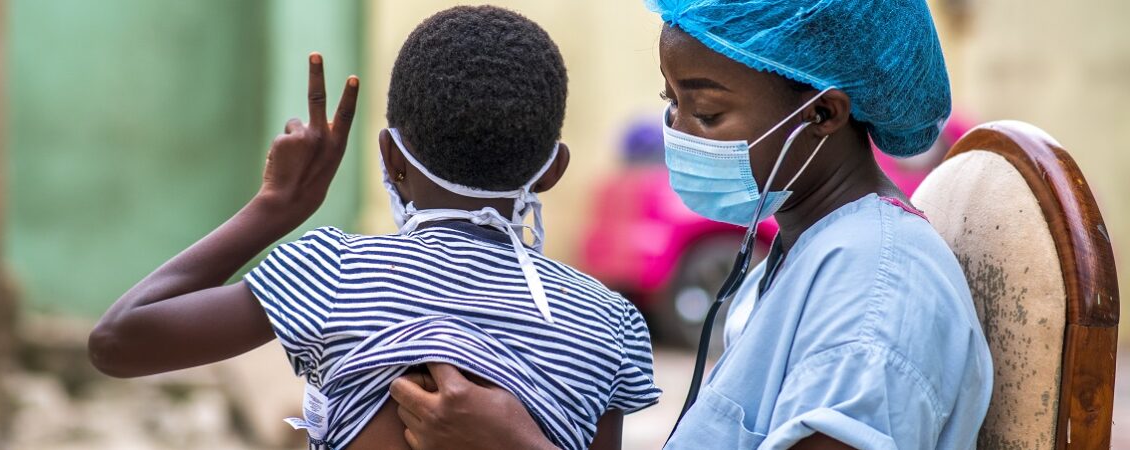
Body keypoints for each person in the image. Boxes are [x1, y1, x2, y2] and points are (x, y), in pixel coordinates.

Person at [387, 1, 994, 449]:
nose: (676, 132)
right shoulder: (803, 253)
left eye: (705, 111)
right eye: (671, 102)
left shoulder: (878, 288)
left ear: (824, 114)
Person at [87, 6, 661, 450]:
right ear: (553, 171)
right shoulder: (611, 323)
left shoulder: (330, 272)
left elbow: (117, 342)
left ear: (390, 159)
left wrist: (276, 208)